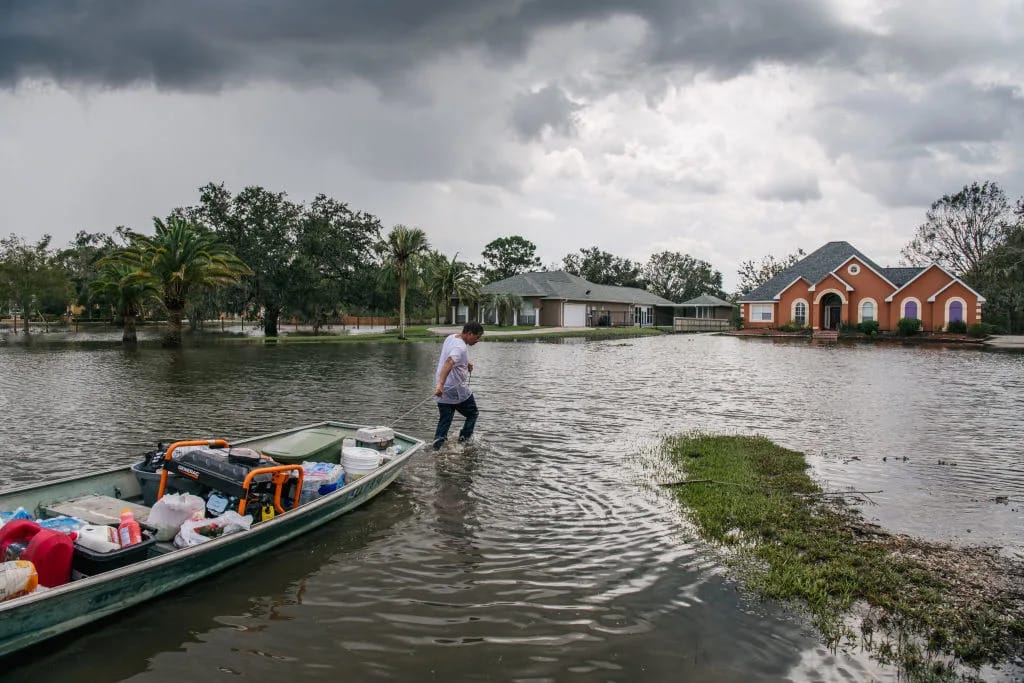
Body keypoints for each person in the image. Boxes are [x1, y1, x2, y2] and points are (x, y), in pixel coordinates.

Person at [433, 321, 484, 450]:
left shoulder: (451, 337)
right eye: (476, 337)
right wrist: (441, 384)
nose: (477, 340)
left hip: (443, 389)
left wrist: (466, 363)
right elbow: (450, 361)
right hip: (454, 389)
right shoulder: (460, 347)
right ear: (469, 333)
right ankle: (464, 442)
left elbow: (452, 356)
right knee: (473, 413)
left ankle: (437, 448)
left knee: (445, 419)